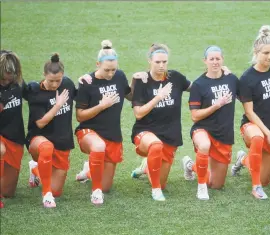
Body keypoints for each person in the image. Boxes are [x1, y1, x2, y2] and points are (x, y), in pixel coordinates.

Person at [230, 25, 270, 200]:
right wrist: (268, 135)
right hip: (253, 126)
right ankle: (255, 188)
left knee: (266, 179)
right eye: (266, 53)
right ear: (256, 52)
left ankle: (243, 159)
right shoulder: (247, 78)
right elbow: (249, 112)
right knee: (257, 138)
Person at [130, 43, 192, 201]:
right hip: (146, 132)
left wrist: (220, 74)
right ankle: (156, 191)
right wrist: (158, 97)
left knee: (161, 181)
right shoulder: (142, 80)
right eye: (157, 62)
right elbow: (138, 113)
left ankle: (146, 167)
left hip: (170, 135)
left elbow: (197, 87)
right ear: (150, 61)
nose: (161, 65)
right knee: (155, 146)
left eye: (164, 62)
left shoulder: (176, 78)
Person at [74, 40, 132, 205]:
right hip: (89, 132)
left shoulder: (119, 76)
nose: (110, 74)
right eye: (106, 70)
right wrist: (101, 106)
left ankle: (89, 170)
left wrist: (140, 80)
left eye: (113, 69)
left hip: (112, 134)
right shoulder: (87, 82)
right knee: (98, 147)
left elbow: (131, 96)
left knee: (107, 186)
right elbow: (80, 116)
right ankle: (95, 192)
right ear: (97, 64)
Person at [182, 45, 240, 200]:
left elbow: (247, 94)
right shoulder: (199, 84)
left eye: (218, 58)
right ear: (205, 61)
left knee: (216, 184)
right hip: (203, 129)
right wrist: (217, 105)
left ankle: (190, 165)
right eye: (211, 59)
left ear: (222, 60)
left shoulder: (232, 79)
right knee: (204, 145)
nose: (215, 62)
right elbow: (195, 116)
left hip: (224, 134)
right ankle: (201, 187)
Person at [25, 53, 76, 208]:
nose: (55, 84)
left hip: (62, 141)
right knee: (47, 148)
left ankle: (35, 169)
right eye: (51, 80)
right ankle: (46, 195)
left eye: (58, 80)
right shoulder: (36, 91)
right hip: (39, 139)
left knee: (57, 191)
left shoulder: (67, 84)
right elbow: (40, 123)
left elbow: (82, 96)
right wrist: (58, 105)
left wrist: (89, 80)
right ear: (44, 75)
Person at [0, 50, 25, 208]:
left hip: (15, 138)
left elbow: (41, 92)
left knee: (8, 192)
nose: (8, 77)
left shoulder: (18, 85)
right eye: (5, 73)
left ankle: (35, 170)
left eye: (11, 73)